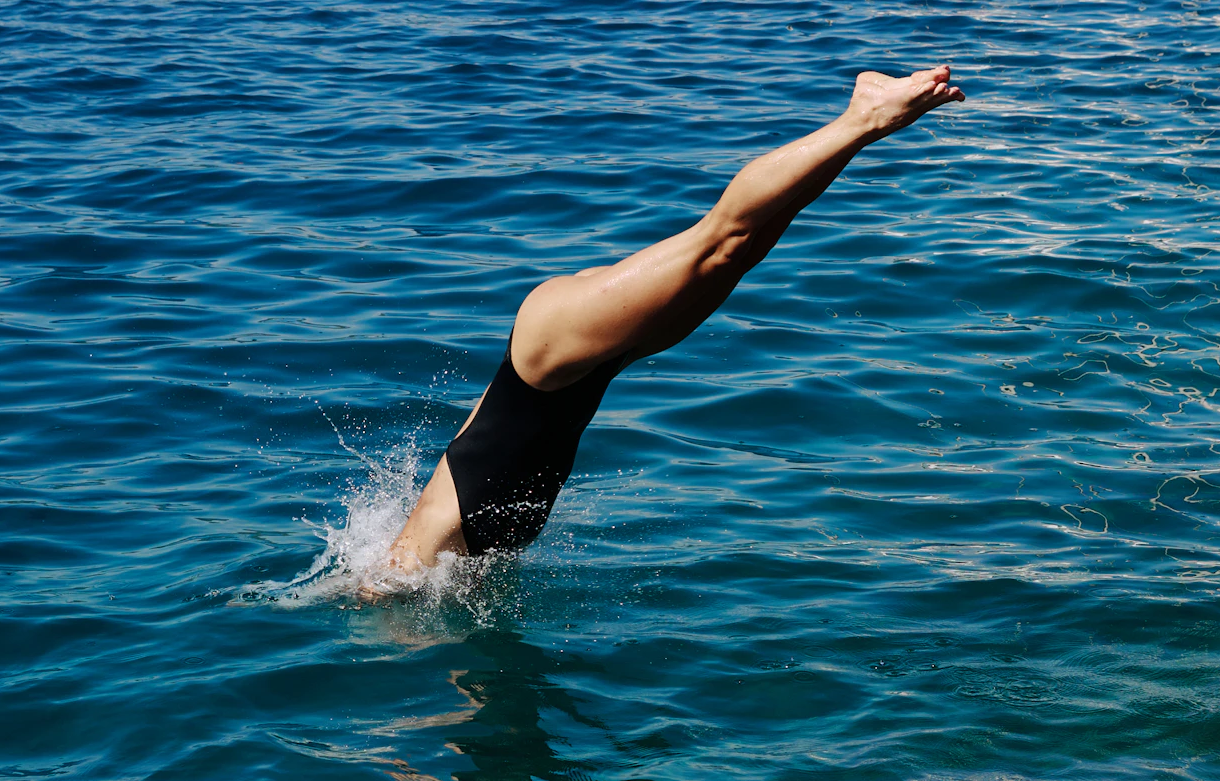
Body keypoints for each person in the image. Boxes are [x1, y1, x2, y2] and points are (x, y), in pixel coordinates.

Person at [366, 63, 962, 588]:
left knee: (721, 241)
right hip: (573, 378)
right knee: (742, 252)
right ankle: (862, 127)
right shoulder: (463, 568)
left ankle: (862, 117)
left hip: (548, 358)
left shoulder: (401, 576)